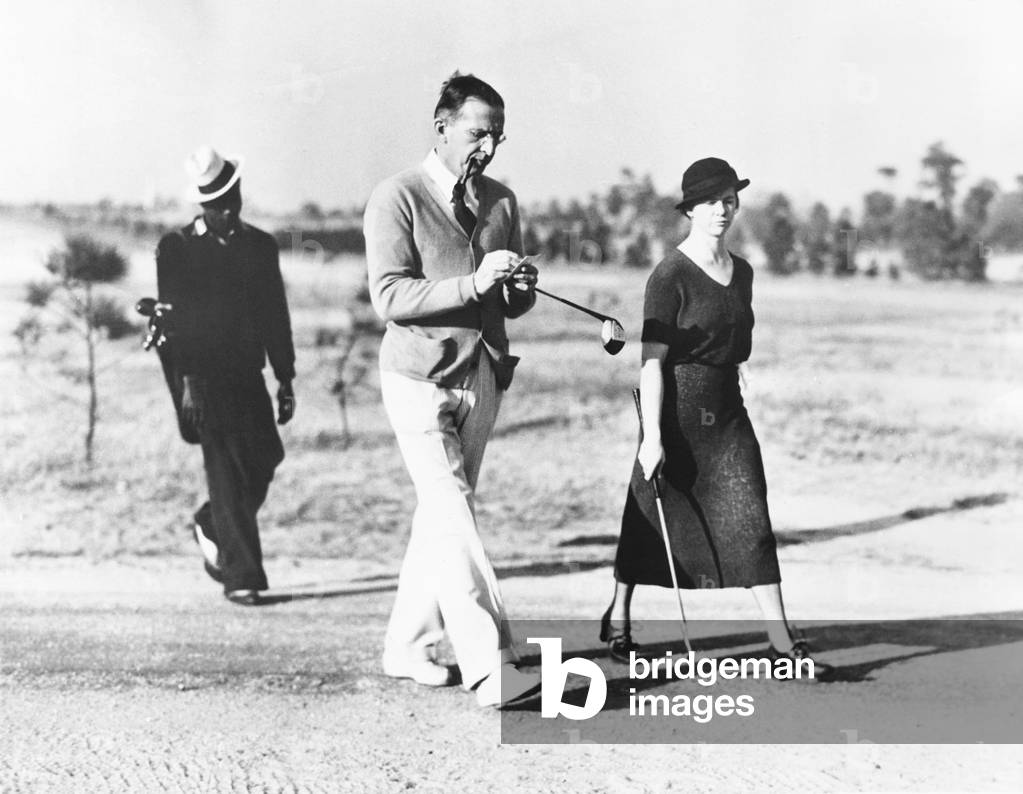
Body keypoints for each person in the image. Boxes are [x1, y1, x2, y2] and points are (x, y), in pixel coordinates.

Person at [603, 157, 832, 676]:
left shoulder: (743, 271)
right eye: (710, 202)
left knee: (751, 516)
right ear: (690, 210)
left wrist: (731, 377)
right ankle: (618, 620)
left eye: (729, 199)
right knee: (649, 517)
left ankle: (780, 641)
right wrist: (653, 437)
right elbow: (652, 363)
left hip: (728, 412)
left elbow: (733, 342)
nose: (722, 210)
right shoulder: (669, 276)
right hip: (676, 411)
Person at [364, 73, 541, 707]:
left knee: (442, 515)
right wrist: (473, 284)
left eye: (497, 136)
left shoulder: (502, 201)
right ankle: (494, 666)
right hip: (415, 377)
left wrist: (515, 289)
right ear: (441, 126)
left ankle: (407, 646)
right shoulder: (397, 197)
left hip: (481, 375)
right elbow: (389, 296)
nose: (488, 147)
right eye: (477, 133)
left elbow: (506, 304)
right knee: (454, 512)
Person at [156, 145, 296, 607]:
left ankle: (214, 524)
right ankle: (242, 576)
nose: (228, 210)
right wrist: (189, 385)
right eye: (217, 204)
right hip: (201, 378)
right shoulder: (176, 249)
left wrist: (285, 376)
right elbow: (177, 324)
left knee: (265, 457)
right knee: (225, 473)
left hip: (246, 374)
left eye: (232, 198)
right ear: (203, 205)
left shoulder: (259, 246)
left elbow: (275, 314)